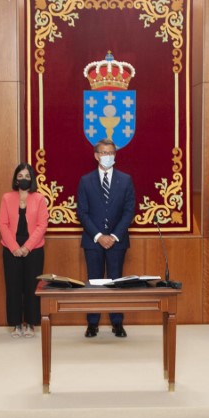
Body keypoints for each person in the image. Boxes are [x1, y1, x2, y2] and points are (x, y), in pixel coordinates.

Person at [77, 138, 136, 338]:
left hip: (117, 242)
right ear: (96, 156)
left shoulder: (126, 179)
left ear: (115, 155)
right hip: (93, 241)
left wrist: (114, 236)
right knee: (94, 282)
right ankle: (92, 323)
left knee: (115, 282)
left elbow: (129, 211)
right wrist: (99, 236)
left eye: (111, 153)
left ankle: (117, 322)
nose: (107, 156)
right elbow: (82, 213)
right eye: (103, 153)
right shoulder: (85, 180)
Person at [0, 163, 49, 338]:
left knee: (31, 286)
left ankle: (31, 323)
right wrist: (14, 248)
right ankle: (16, 324)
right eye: (20, 176)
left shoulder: (39, 199)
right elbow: (2, 224)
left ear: (32, 178)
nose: (23, 179)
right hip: (11, 248)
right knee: (13, 286)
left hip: (33, 249)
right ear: (15, 179)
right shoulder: (6, 198)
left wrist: (27, 247)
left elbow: (42, 225)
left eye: (27, 176)